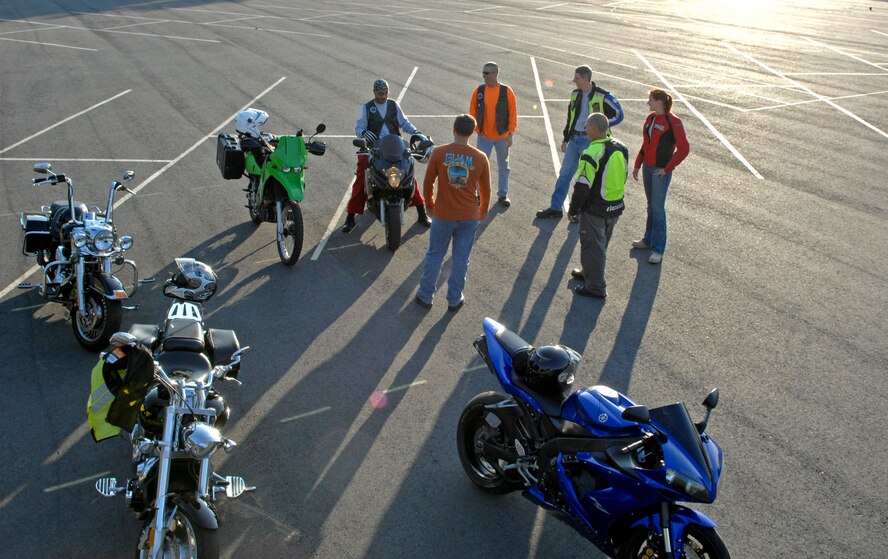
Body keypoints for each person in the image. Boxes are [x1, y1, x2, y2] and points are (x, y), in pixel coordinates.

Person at [415, 114, 491, 312]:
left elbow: (428, 182)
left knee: (435, 255)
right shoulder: (480, 157)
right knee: (460, 259)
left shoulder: (439, 153)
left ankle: (425, 295)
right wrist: (483, 210)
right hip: (469, 216)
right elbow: (486, 189)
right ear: (473, 131)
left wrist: (429, 205)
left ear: (454, 130)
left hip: (443, 214)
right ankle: (454, 298)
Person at [341, 79, 431, 234]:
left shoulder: (393, 105)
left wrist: (415, 132)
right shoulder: (367, 108)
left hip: (395, 147)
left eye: (385, 93)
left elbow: (404, 123)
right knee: (362, 176)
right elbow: (359, 127)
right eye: (379, 93)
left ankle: (421, 212)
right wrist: (363, 133)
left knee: (407, 175)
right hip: (373, 149)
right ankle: (350, 216)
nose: (383, 96)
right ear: (374, 92)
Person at [536, 65, 624, 220]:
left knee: (585, 178)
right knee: (564, 174)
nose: (574, 81)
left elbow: (619, 114)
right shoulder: (575, 94)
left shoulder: (602, 95)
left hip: (591, 142)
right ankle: (556, 208)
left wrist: (602, 125)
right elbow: (570, 118)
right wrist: (566, 138)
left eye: (576, 78)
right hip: (575, 139)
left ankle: (580, 211)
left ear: (585, 78)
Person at [568, 113, 629, 299]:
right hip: (615, 205)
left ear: (593, 129)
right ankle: (590, 273)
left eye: (586, 126)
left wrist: (573, 209)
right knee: (601, 245)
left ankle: (595, 286)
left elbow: (582, 186)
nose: (585, 129)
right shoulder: (621, 147)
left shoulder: (591, 153)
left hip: (595, 208)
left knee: (592, 246)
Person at [631, 88, 690, 264]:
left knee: (658, 209)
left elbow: (684, 148)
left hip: (659, 171)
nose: (648, 103)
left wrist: (667, 168)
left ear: (659, 102)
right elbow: (646, 144)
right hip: (648, 168)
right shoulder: (650, 119)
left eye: (650, 100)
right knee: (651, 206)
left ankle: (658, 249)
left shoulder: (674, 122)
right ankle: (648, 239)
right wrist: (637, 165)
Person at [469, 62, 517, 207]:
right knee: (479, 167)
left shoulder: (507, 91)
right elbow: (473, 112)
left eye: (487, 73)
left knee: (504, 166)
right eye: (483, 73)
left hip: (503, 138)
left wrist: (510, 134)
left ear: (496, 74)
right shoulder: (479, 91)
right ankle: (477, 195)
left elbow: (513, 114)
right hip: (484, 138)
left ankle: (503, 195)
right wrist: (478, 130)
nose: (484, 76)